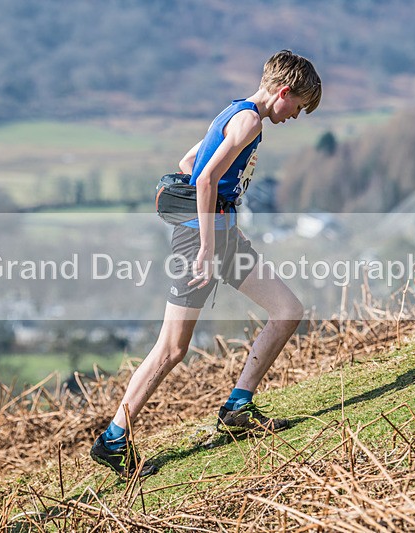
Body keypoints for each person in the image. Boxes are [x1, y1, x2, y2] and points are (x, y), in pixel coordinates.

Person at [90, 50, 322, 478]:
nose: (296, 116)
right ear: (284, 91)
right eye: (299, 106)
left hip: (220, 236)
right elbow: (203, 179)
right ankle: (113, 440)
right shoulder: (250, 120)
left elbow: (187, 162)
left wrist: (224, 227)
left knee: (288, 311)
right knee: (172, 349)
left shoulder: (234, 112)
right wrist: (205, 246)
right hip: (202, 241)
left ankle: (237, 407)